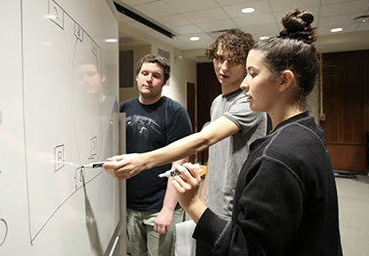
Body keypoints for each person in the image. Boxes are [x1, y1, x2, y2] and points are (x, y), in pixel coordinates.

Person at [171, 8, 343, 256]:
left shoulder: (277, 156)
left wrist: (191, 203)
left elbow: (244, 249)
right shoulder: (308, 133)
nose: (244, 83)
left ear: (284, 81)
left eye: (252, 73)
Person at [104, 29, 267, 254]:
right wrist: (202, 198)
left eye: (234, 61)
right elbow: (214, 153)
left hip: (237, 211)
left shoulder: (250, 103)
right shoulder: (217, 102)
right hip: (210, 207)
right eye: (219, 59)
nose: (224, 68)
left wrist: (143, 161)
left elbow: (203, 140)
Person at [121, 54, 192, 256]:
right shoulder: (123, 109)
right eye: (144, 73)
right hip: (131, 206)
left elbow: (179, 163)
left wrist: (168, 209)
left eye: (156, 75)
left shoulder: (175, 112)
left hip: (160, 207)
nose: (149, 79)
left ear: (164, 81)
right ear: (137, 76)